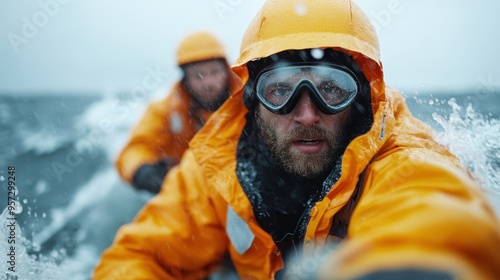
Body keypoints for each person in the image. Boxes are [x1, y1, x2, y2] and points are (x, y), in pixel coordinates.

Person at [94, 0, 500, 279]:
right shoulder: (216, 162)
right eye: (280, 90)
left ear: (361, 95)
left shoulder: (398, 156)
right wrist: (142, 170)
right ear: (253, 96)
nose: (306, 114)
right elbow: (139, 255)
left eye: (332, 89)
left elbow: (429, 210)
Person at [115, 31, 240, 193]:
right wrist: (142, 171)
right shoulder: (164, 111)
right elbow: (132, 151)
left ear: (226, 71)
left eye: (214, 72)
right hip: (187, 194)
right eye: (198, 75)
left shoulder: (248, 101)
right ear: (185, 78)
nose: (208, 82)